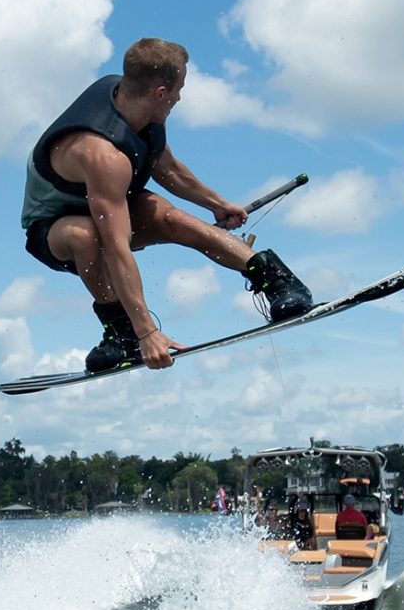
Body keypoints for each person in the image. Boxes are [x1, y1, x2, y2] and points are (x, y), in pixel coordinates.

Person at [21, 37, 312, 372]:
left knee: (172, 217)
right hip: (53, 228)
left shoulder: (142, 109)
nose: (179, 97)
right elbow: (116, 247)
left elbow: (168, 169)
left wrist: (217, 204)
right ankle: (122, 333)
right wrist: (147, 333)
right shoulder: (102, 155)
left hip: (108, 199)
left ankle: (276, 280)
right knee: (87, 235)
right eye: (178, 89)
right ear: (160, 93)